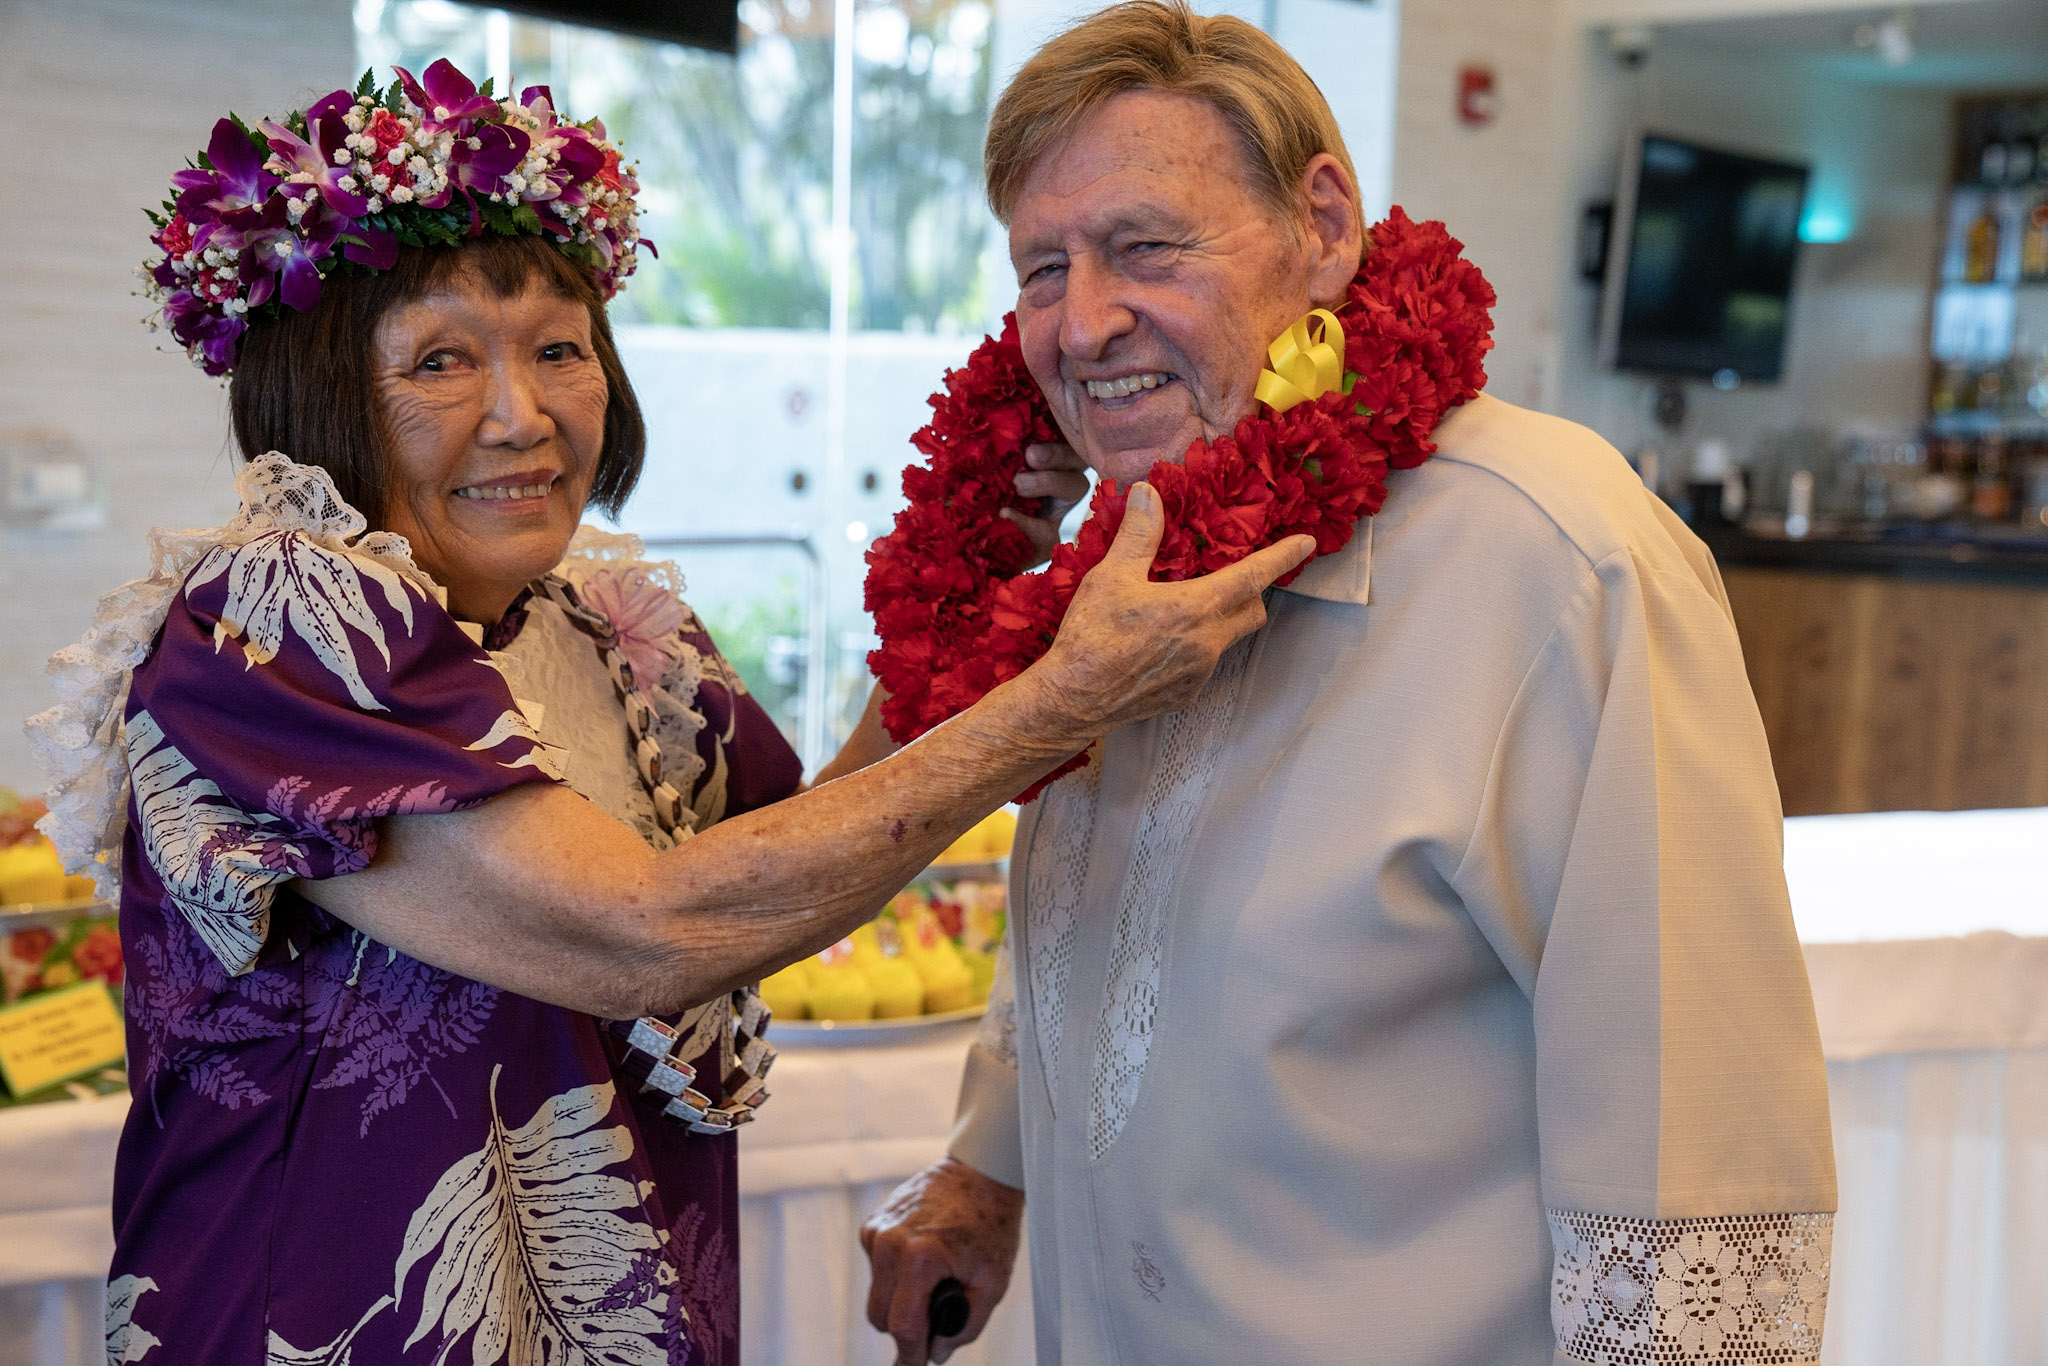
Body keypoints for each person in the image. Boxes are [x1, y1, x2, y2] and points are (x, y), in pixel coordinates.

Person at [24, 60, 1313, 1366]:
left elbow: (784, 867)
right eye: (440, 361)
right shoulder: (275, 622)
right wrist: (1059, 703)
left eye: (559, 349)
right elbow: (649, 930)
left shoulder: (614, 627)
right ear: (321, 396)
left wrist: (974, 597)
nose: (523, 416)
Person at [860, 6, 1838, 1365]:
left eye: (1146, 246)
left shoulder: (1559, 561)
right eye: (1042, 267)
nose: (1081, 324)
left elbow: (1696, 1145)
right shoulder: (1120, 555)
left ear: (1322, 226)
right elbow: (1104, 921)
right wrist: (988, 1161)